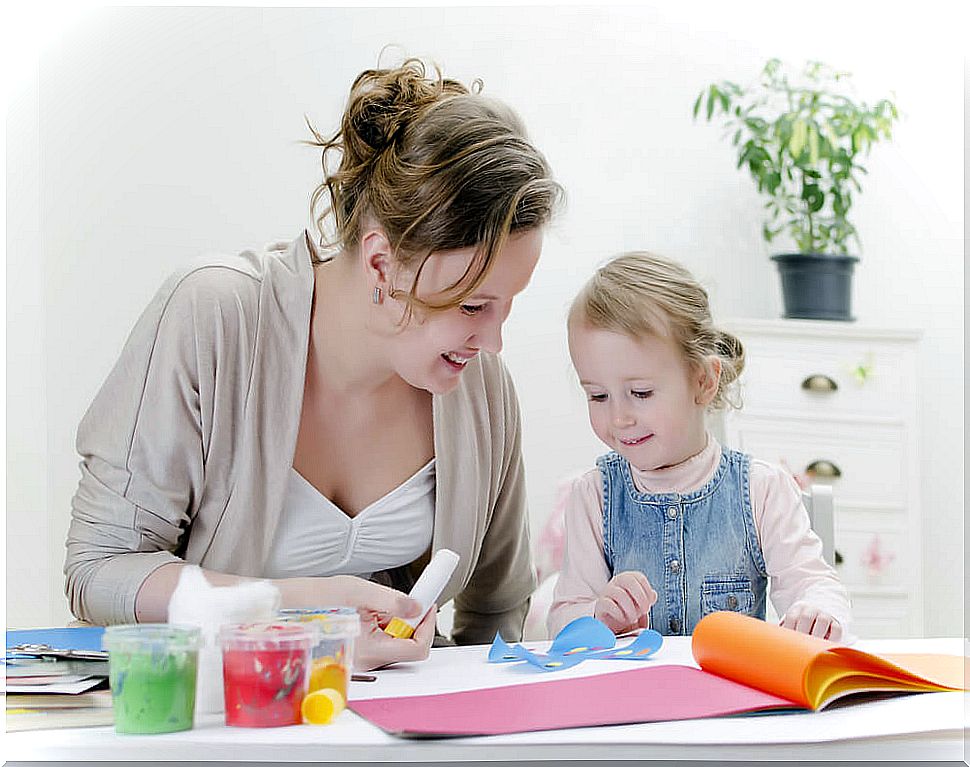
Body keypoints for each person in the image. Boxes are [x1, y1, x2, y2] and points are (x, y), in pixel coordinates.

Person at [64, 58, 563, 670]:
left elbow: (498, 611)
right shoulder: (214, 317)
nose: (493, 341)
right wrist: (302, 616)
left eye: (507, 306)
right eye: (474, 305)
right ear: (382, 264)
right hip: (217, 729)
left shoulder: (481, 389)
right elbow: (100, 571)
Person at [548, 252, 851, 640]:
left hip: (736, 697)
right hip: (631, 699)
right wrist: (597, 615)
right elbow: (563, 618)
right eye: (598, 396)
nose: (619, 417)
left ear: (704, 381)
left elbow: (814, 584)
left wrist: (818, 611)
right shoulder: (593, 496)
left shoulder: (761, 489)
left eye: (640, 392)